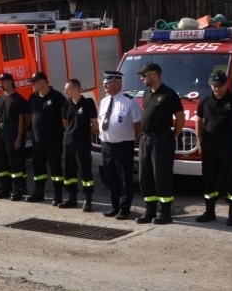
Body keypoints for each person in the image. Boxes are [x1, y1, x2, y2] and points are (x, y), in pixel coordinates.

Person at [135, 62, 185, 224]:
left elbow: (180, 117)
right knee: (145, 176)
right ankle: (149, 210)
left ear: (154, 74)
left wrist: (173, 136)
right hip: (146, 139)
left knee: (161, 176)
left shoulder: (169, 94)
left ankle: (164, 213)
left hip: (162, 139)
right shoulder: (146, 94)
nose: (142, 78)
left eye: (144, 74)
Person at [195, 70, 232, 226]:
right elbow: (199, 121)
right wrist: (200, 140)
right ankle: (209, 212)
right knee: (209, 180)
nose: (217, 89)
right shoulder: (204, 102)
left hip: (229, 147)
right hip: (209, 147)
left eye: (220, 85)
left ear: (226, 84)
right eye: (214, 86)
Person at [98, 70, 142, 220]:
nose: (104, 86)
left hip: (123, 146)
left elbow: (138, 126)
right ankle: (114, 206)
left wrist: (130, 140)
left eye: (106, 83)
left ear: (117, 84)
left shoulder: (130, 100)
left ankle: (124, 208)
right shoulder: (104, 101)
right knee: (111, 178)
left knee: (124, 178)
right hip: (106, 145)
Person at [26, 72, 67, 204]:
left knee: (55, 167)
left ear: (43, 82)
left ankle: (58, 195)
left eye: (35, 82)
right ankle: (38, 193)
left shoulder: (57, 97)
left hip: (53, 141)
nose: (32, 84)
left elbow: (65, 119)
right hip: (37, 141)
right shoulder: (33, 97)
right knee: (38, 168)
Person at [60, 79, 99, 210]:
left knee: (85, 172)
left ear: (76, 89)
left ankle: (88, 200)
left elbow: (95, 125)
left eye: (68, 89)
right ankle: (72, 198)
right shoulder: (66, 105)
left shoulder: (87, 104)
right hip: (68, 143)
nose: (65, 91)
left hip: (82, 144)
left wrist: (86, 135)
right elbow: (65, 123)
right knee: (68, 172)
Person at [0, 73, 29, 201]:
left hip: (12, 130)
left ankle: (18, 189)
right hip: (0, 131)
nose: (0, 84)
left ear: (9, 82)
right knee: (0, 160)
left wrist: (19, 138)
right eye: (0, 82)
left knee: (15, 162)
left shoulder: (18, 99)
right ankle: (4, 188)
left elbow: (22, 120)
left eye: (2, 82)